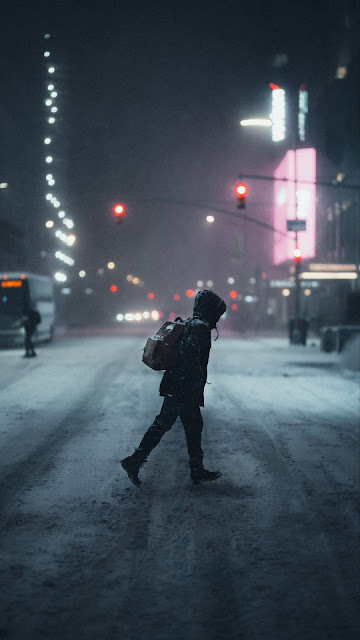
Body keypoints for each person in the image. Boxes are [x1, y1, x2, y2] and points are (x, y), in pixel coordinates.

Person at [121, 289, 227, 487]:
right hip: (183, 386)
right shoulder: (200, 328)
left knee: (193, 426)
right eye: (216, 314)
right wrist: (194, 384)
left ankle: (197, 469)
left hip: (179, 384)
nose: (217, 319)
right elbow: (191, 357)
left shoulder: (191, 323)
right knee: (163, 424)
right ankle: (135, 460)